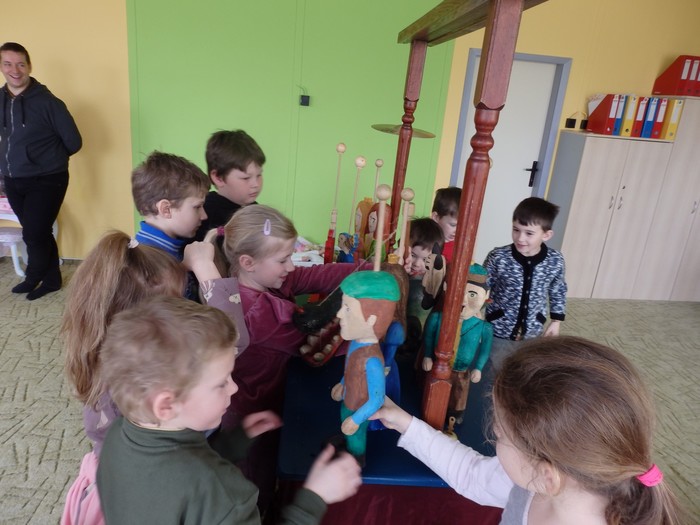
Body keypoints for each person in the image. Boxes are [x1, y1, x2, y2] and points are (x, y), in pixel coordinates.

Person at [96, 296, 362, 525]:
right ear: (166, 405)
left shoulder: (118, 434)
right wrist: (315, 497)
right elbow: (198, 484)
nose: (234, 388)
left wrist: (232, 443)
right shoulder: (223, 492)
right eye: (220, 383)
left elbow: (173, 480)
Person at [371, 336, 686, 525]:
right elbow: (472, 475)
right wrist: (404, 423)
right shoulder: (536, 483)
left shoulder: (536, 483)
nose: (493, 433)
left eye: (499, 435)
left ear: (548, 476)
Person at [198, 204, 367, 512]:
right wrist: (369, 329)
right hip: (251, 409)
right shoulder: (259, 311)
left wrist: (366, 271)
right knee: (255, 477)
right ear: (248, 262)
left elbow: (314, 275)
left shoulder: (259, 279)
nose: (291, 265)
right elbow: (318, 344)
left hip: (267, 397)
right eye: (283, 259)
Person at [0, 42, 82, 300]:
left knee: (33, 233)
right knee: (39, 231)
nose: (15, 70)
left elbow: (74, 142)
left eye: (21, 64)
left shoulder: (49, 102)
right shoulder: (0, 100)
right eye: (8, 64)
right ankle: (52, 279)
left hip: (48, 178)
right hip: (13, 178)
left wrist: (46, 161)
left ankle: (33, 275)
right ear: (1, 67)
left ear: (29, 66)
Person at [484, 197, 566, 371]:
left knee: (524, 372)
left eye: (529, 233)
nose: (520, 238)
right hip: (498, 330)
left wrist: (556, 321)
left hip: (533, 332)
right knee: (495, 371)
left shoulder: (555, 261)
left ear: (546, 235)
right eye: (516, 230)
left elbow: (558, 289)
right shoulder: (498, 257)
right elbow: (482, 286)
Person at [331, 271, 399, 462]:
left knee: (357, 437)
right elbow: (350, 369)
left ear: (371, 320)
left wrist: (356, 419)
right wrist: (342, 383)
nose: (339, 314)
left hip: (358, 409)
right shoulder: (355, 343)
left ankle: (356, 459)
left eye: (347, 309)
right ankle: (347, 443)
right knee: (346, 428)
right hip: (348, 400)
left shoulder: (373, 361)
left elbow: (376, 399)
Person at [422, 263, 493, 426]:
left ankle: (455, 414)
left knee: (459, 393)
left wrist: (478, 368)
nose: (463, 301)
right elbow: (429, 337)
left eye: (472, 294)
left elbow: (485, 350)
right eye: (458, 293)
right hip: (438, 368)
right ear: (447, 288)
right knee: (433, 395)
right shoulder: (438, 318)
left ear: (486, 295)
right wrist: (427, 355)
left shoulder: (484, 327)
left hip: (461, 371)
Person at [195, 129, 265, 240]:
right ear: (218, 178)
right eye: (246, 178)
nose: (256, 184)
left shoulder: (255, 210)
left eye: (259, 175)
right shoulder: (205, 212)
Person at [431, 187, 461, 263]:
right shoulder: (426, 240)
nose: (457, 230)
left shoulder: (460, 247)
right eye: (453, 225)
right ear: (436, 217)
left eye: (461, 226)